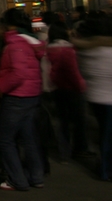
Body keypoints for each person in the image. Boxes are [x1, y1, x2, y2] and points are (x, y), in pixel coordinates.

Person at [0, 9, 45, 191]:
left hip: (17, 96)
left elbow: (19, 73)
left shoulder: (16, 42)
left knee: (6, 139)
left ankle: (17, 179)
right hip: (32, 94)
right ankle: (36, 176)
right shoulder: (30, 41)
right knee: (28, 137)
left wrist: (1, 87)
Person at [73, 14, 112, 181]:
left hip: (95, 96)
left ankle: (105, 167)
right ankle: (106, 171)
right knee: (108, 137)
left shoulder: (85, 50)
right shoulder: (106, 51)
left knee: (105, 134)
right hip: (109, 98)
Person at [46, 23, 91, 161]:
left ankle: (64, 151)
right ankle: (80, 149)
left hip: (56, 88)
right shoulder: (68, 50)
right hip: (72, 89)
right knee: (79, 121)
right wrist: (81, 86)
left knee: (62, 121)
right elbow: (73, 72)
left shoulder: (47, 49)